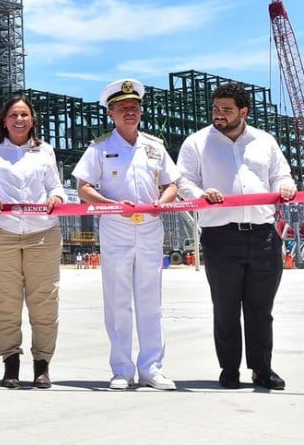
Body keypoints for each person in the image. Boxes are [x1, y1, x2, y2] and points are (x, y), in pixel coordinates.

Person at [176, 81, 297, 391]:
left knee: (260, 309)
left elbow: (281, 174)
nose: (219, 115)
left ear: (243, 111)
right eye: (216, 108)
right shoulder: (197, 143)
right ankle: (229, 369)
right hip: (220, 236)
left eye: (226, 110)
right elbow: (183, 182)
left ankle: (262, 369)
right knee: (226, 307)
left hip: (263, 236)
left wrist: (286, 186)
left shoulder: (264, 141)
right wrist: (202, 193)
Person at [72, 79, 179, 391]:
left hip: (149, 228)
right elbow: (83, 188)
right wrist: (110, 205)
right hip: (116, 229)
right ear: (111, 113)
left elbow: (172, 183)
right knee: (118, 300)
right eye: (123, 108)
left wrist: (163, 202)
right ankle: (122, 369)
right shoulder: (100, 148)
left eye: (134, 107)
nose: (130, 112)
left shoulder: (155, 147)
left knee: (151, 301)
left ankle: (152, 368)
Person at [0, 95, 66, 389]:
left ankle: (42, 365)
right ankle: (10, 362)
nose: (19, 120)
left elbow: (55, 185)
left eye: (25, 115)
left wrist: (57, 197)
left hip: (42, 232)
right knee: (5, 301)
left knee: (44, 301)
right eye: (13, 115)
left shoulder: (44, 151)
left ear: (32, 120)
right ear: (4, 119)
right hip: (1, 231)